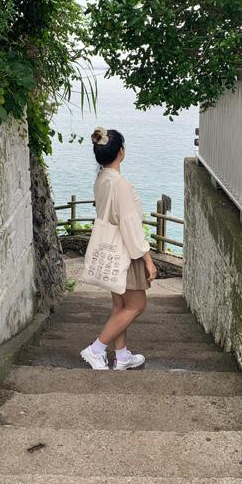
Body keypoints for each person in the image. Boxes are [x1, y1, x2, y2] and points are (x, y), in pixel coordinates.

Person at [79, 127, 156, 371]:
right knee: (136, 306)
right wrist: (147, 258)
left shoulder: (101, 179)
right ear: (121, 152)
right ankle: (96, 349)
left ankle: (121, 356)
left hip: (109, 249)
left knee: (120, 307)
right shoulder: (120, 184)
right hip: (125, 251)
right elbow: (129, 224)